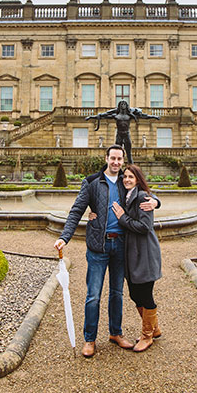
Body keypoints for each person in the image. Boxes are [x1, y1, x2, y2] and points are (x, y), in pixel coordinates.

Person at [54, 145, 159, 358]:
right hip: (98, 246)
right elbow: (77, 210)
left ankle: (115, 333)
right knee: (93, 295)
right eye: (113, 158)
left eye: (119, 159)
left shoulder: (124, 181)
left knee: (117, 294)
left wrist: (156, 201)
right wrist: (64, 237)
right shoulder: (92, 182)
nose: (116, 163)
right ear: (106, 158)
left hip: (121, 246)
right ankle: (90, 339)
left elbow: (143, 192)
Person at [111, 164, 162, 352]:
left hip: (145, 252)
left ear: (138, 179)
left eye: (131, 177)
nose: (126, 180)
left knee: (145, 294)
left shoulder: (141, 197)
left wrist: (123, 218)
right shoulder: (128, 195)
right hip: (133, 252)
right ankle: (154, 329)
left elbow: (145, 226)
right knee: (134, 293)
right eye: (125, 177)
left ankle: (147, 336)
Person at [85, 100, 159, 164]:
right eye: (122, 104)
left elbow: (144, 116)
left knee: (129, 154)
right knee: (117, 154)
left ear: (126, 106)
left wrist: (154, 116)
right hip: (119, 135)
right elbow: (102, 116)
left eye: (124, 104)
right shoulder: (115, 116)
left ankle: (132, 170)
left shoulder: (130, 115)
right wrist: (90, 117)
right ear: (119, 106)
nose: (123, 105)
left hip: (126, 134)